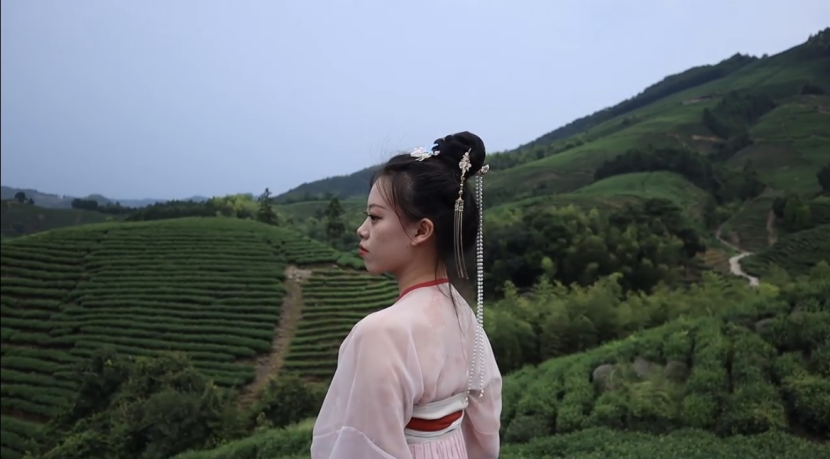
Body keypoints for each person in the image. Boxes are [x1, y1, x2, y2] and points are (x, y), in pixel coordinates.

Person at [310, 132, 502, 459]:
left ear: (421, 230)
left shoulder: (380, 333)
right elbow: (485, 419)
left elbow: (362, 446)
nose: (362, 230)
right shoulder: (461, 313)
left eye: (375, 217)